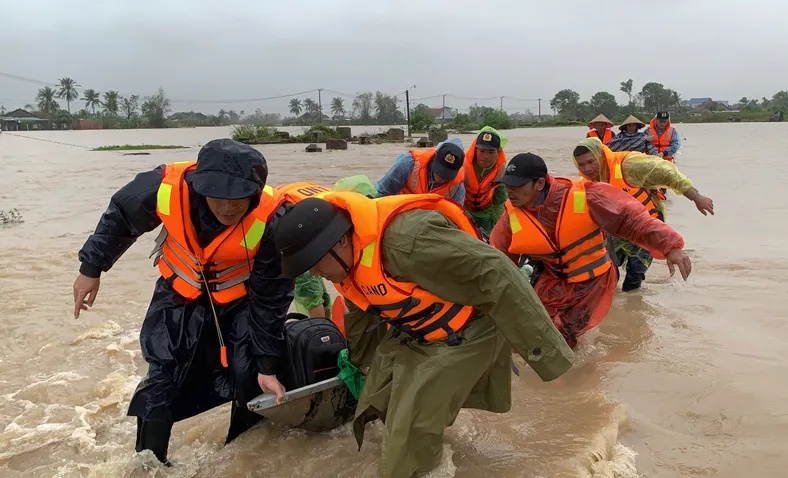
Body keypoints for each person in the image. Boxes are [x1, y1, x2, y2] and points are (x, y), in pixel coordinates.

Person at [273, 191, 575, 477]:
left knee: (403, 448)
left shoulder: (408, 242)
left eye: (313, 263)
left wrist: (546, 358)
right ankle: (431, 445)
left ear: (339, 240)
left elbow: (498, 273)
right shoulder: (347, 260)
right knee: (379, 398)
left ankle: (420, 461)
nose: (312, 273)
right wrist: (359, 363)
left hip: (468, 328)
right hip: (416, 330)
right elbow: (360, 312)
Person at [72, 139, 293, 465]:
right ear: (200, 186)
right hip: (179, 293)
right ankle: (149, 464)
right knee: (163, 372)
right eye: (218, 195)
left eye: (239, 197)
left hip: (241, 300)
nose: (229, 207)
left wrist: (267, 365)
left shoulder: (275, 217)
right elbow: (119, 217)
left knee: (249, 374)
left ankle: (236, 458)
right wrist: (91, 268)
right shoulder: (163, 186)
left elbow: (271, 297)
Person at [489, 153, 691, 347]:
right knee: (533, 327)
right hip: (550, 280)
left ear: (539, 184)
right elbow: (497, 256)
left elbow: (633, 220)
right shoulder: (511, 215)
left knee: (564, 332)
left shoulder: (587, 196)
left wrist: (670, 246)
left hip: (591, 281)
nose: (510, 191)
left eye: (517, 185)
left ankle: (581, 376)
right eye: (507, 186)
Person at [572, 137, 714, 291]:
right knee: (607, 274)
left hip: (645, 227)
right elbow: (578, 217)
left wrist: (696, 197)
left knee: (634, 275)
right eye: (582, 164)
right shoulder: (584, 185)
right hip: (615, 232)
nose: (587, 169)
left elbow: (667, 172)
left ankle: (633, 305)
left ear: (601, 156)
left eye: (591, 162)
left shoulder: (630, 165)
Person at [278, 175, 378, 318]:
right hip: (292, 232)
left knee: (327, 270)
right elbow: (309, 289)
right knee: (310, 291)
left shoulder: (337, 207)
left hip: (296, 200)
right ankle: (320, 332)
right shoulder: (322, 219)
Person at [374, 138, 466, 204]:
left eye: (446, 174)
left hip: (431, 221)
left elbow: (456, 216)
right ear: (434, 157)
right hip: (401, 212)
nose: (442, 177)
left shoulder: (458, 187)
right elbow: (381, 192)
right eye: (440, 170)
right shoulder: (408, 163)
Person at [463, 126, 508, 234]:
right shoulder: (462, 166)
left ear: (498, 152)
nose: (485, 156)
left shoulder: (500, 172)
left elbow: (499, 203)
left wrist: (501, 230)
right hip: (464, 210)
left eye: (491, 152)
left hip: (486, 214)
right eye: (482, 151)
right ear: (475, 150)